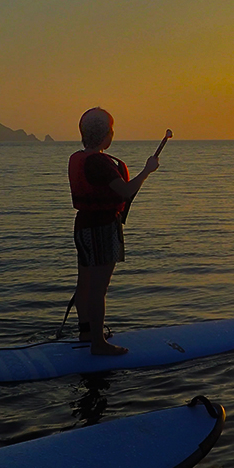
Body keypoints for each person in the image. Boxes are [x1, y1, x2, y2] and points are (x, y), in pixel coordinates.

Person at [68, 107, 159, 356]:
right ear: (106, 135)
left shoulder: (79, 157)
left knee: (84, 283)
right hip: (102, 228)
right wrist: (148, 170)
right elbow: (127, 192)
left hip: (83, 225)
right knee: (98, 289)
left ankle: (86, 331)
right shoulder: (99, 162)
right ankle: (98, 344)